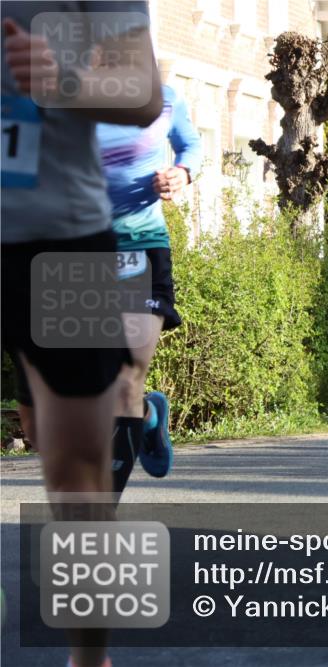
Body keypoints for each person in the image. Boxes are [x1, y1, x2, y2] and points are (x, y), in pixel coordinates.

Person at [2, 4, 162, 667]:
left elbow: (145, 90)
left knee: (76, 470)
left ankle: (88, 661)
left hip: (62, 240)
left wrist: (59, 82)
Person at [98, 84, 202, 495]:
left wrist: (182, 173)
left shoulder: (165, 98)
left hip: (141, 247)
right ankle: (148, 415)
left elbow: (191, 146)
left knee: (126, 379)